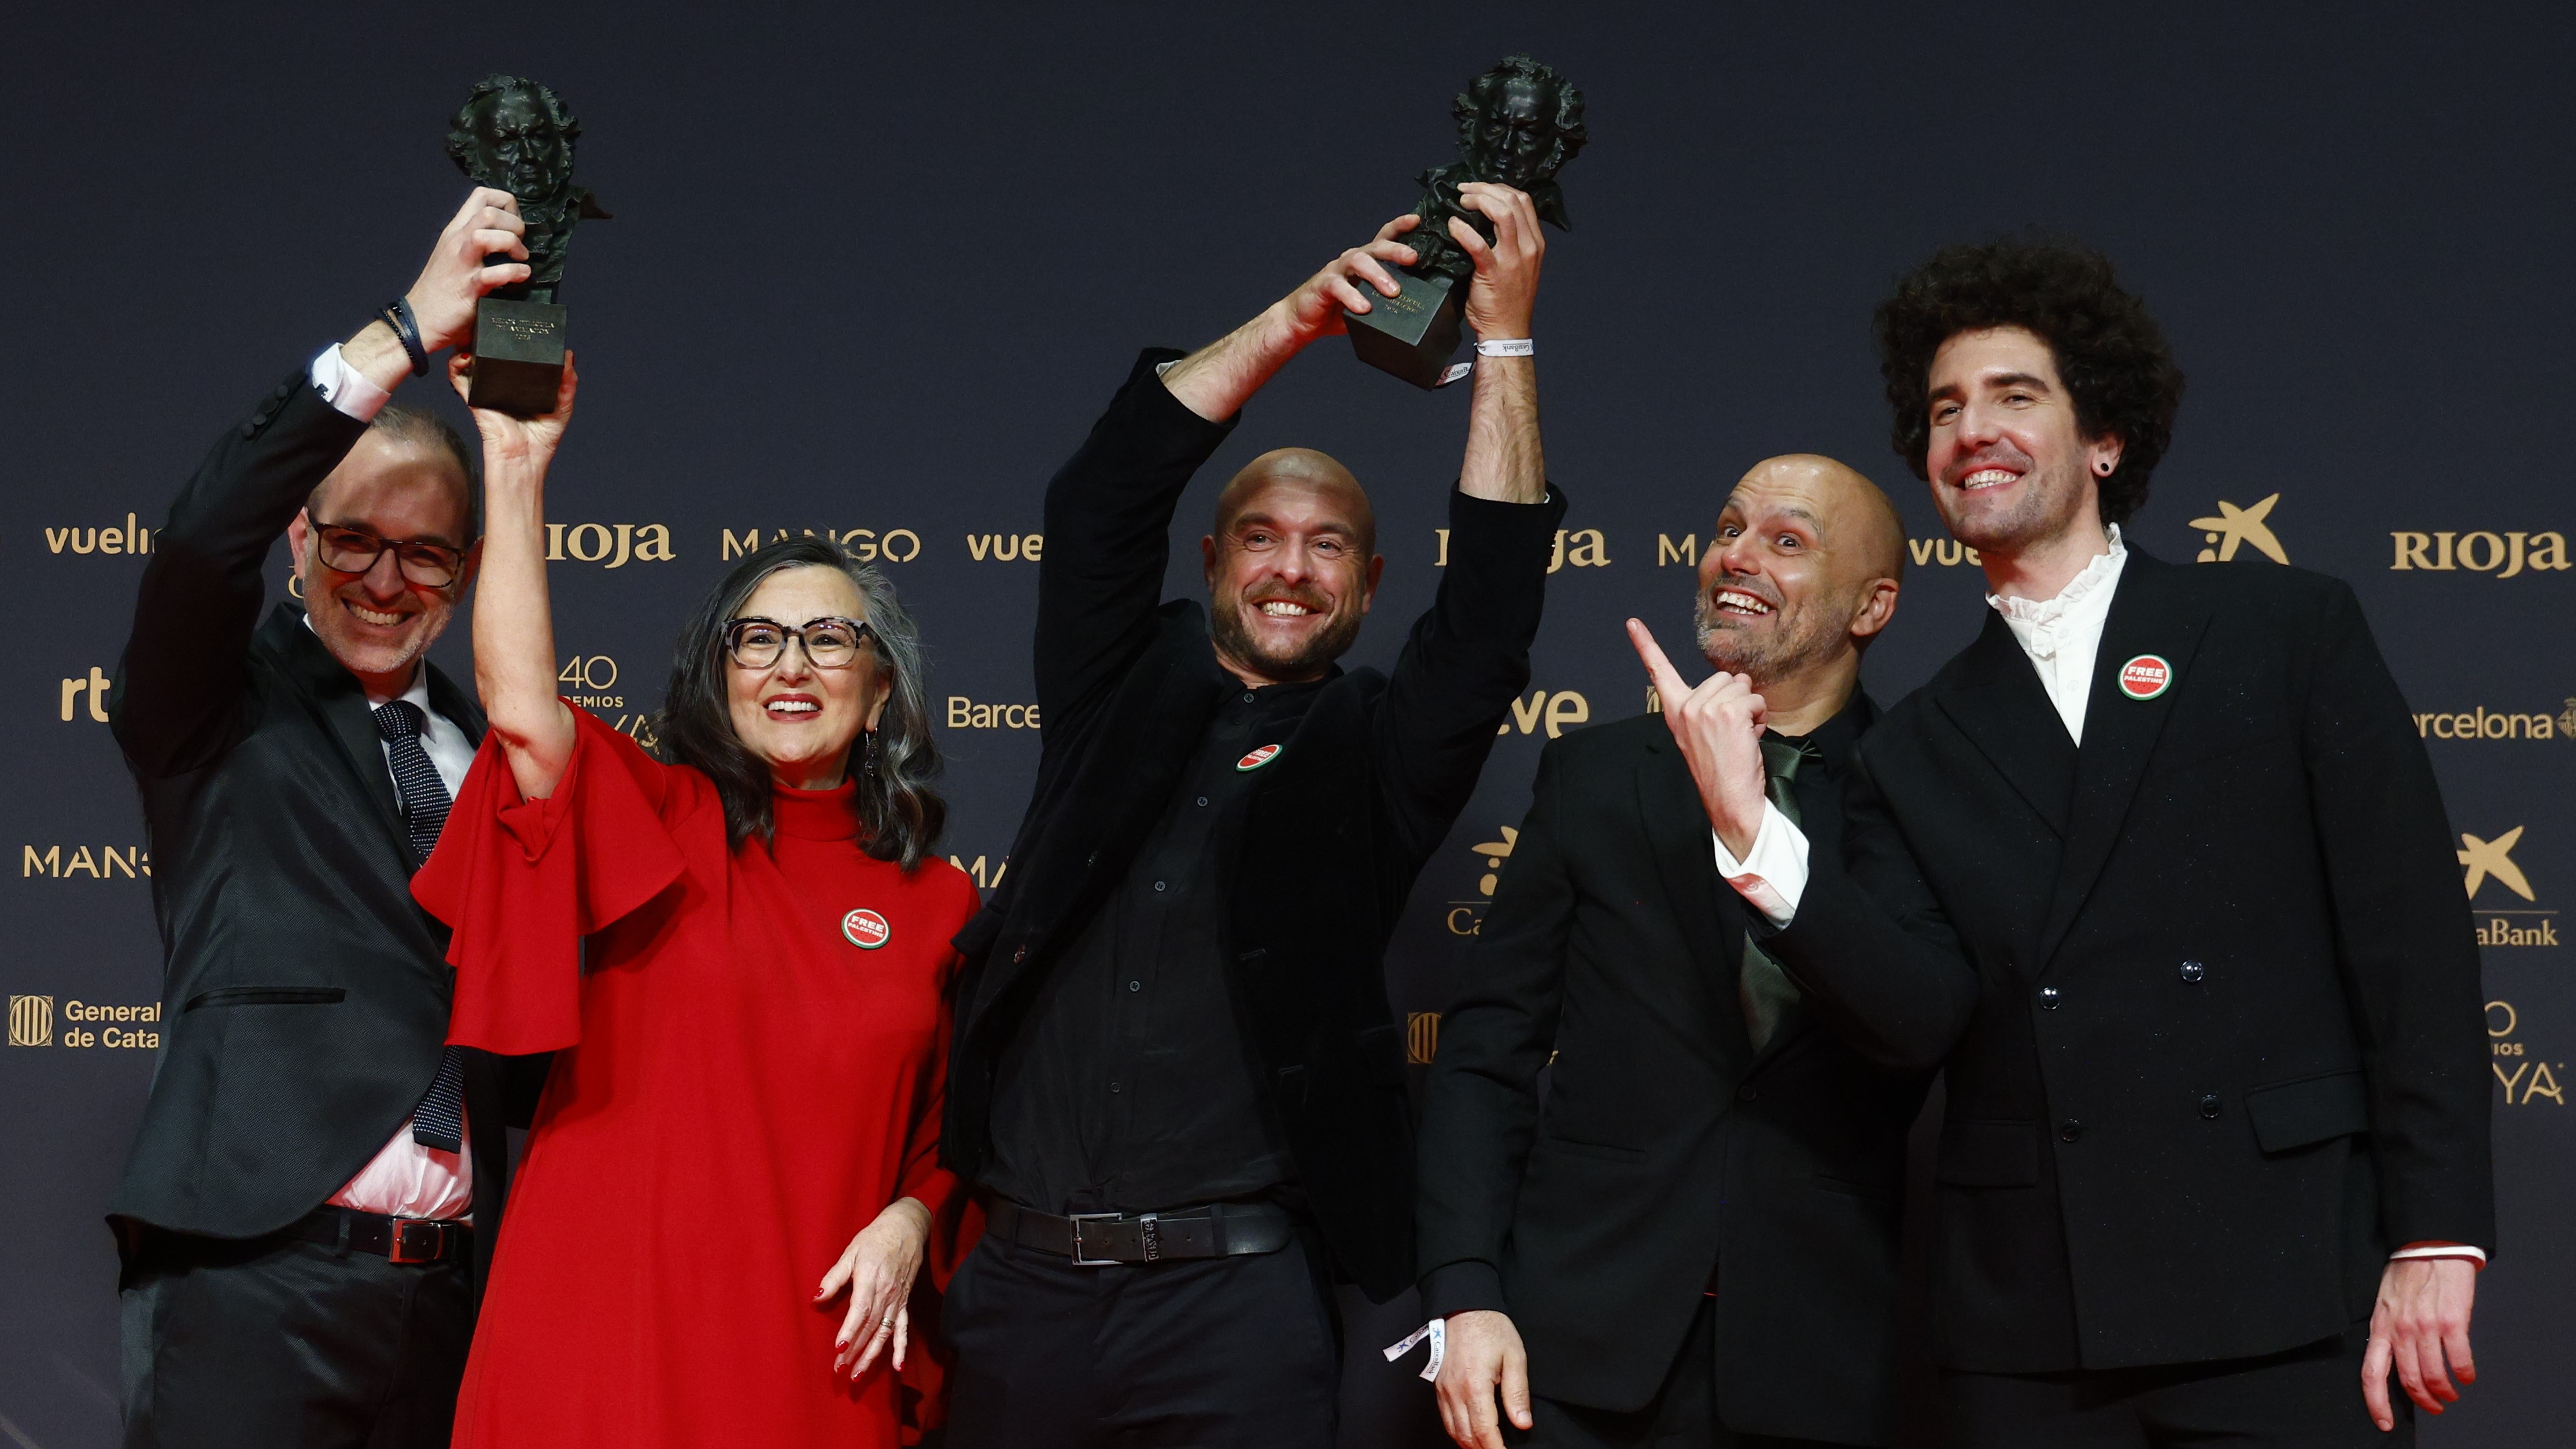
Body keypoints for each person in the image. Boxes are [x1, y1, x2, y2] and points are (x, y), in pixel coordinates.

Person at [1656, 238, 2491, 1446]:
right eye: (1944, 409)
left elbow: (2411, 940)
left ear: (2102, 437)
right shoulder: (1921, 743)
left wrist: (2433, 1232)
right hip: (2034, 1331)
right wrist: (1757, 833)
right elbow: (1913, 1017)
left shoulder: (2278, 627)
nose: (1970, 429)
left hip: (2285, 1280)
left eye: (2013, 395)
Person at [938, 184, 1566, 1449]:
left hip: (1235, 1304)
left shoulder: (1379, 750)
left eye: (1328, 545)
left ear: (1369, 580)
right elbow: (1101, 499)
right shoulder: (1111, 684)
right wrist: (1294, 322)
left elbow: (1491, 612)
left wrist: (1502, 341)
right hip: (1019, 1293)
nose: (1292, 567)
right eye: (1263, 537)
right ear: (1214, 558)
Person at [410, 357, 980, 1446]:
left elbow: (964, 1129)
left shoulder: (943, 903)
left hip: (810, 1348)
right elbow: (524, 712)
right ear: (719, 677)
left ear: (881, 691)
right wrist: (516, 464)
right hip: (602, 1335)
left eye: (829, 637)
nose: (790, 663)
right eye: (756, 638)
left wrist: (913, 1218)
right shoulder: (655, 813)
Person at [105, 186, 547, 1449]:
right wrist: (407, 329)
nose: (384, 580)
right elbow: (197, 543)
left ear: (462, 575)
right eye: (355, 539)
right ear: (299, 533)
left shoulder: (493, 747)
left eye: (427, 557)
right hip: (253, 1272)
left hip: (458, 1298)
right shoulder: (212, 708)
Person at [1421, 455, 1927, 1449]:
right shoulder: (1594, 777)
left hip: (1820, 1356)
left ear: (1871, 606)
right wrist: (1467, 1291)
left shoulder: (1922, 791)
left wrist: (1749, 824)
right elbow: (1486, 1051)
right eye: (1728, 526)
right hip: (1573, 1346)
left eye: (1786, 540)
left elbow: (1921, 1025)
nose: (1735, 555)